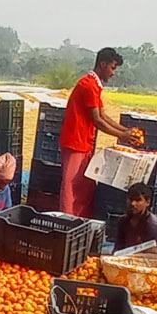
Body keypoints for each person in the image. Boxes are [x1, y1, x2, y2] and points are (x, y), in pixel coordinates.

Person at [59, 48, 144, 216]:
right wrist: (122, 135)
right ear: (102, 64)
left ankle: (79, 219)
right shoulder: (88, 85)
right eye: (112, 68)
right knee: (70, 185)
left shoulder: (94, 85)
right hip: (75, 141)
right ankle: (67, 220)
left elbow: (103, 115)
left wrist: (126, 131)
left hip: (85, 142)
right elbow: (97, 120)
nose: (113, 73)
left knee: (84, 184)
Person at [112, 183, 157, 257]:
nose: (133, 203)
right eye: (131, 199)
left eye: (138, 200)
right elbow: (118, 248)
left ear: (147, 202)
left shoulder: (153, 226)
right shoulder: (123, 221)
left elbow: (153, 257)